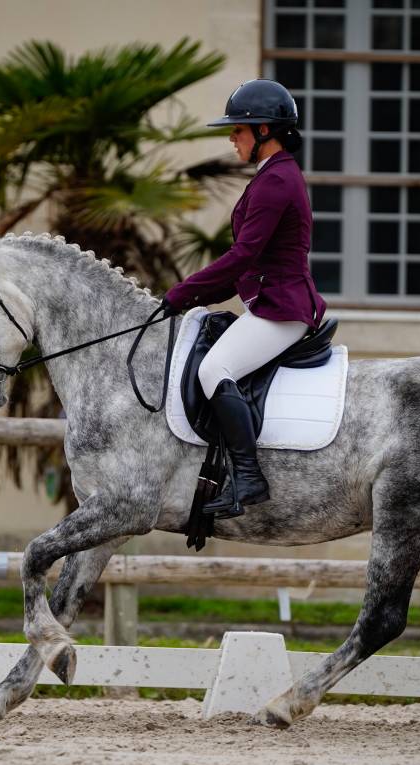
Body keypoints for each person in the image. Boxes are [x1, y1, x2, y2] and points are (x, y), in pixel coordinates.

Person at [162, 79, 328, 520]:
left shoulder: (277, 180)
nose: (231, 138)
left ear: (265, 131)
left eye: (238, 130)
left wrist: (181, 290)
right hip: (270, 301)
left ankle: (249, 477)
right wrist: (189, 301)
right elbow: (246, 268)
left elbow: (243, 255)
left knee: (216, 369)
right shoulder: (273, 175)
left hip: (283, 307)